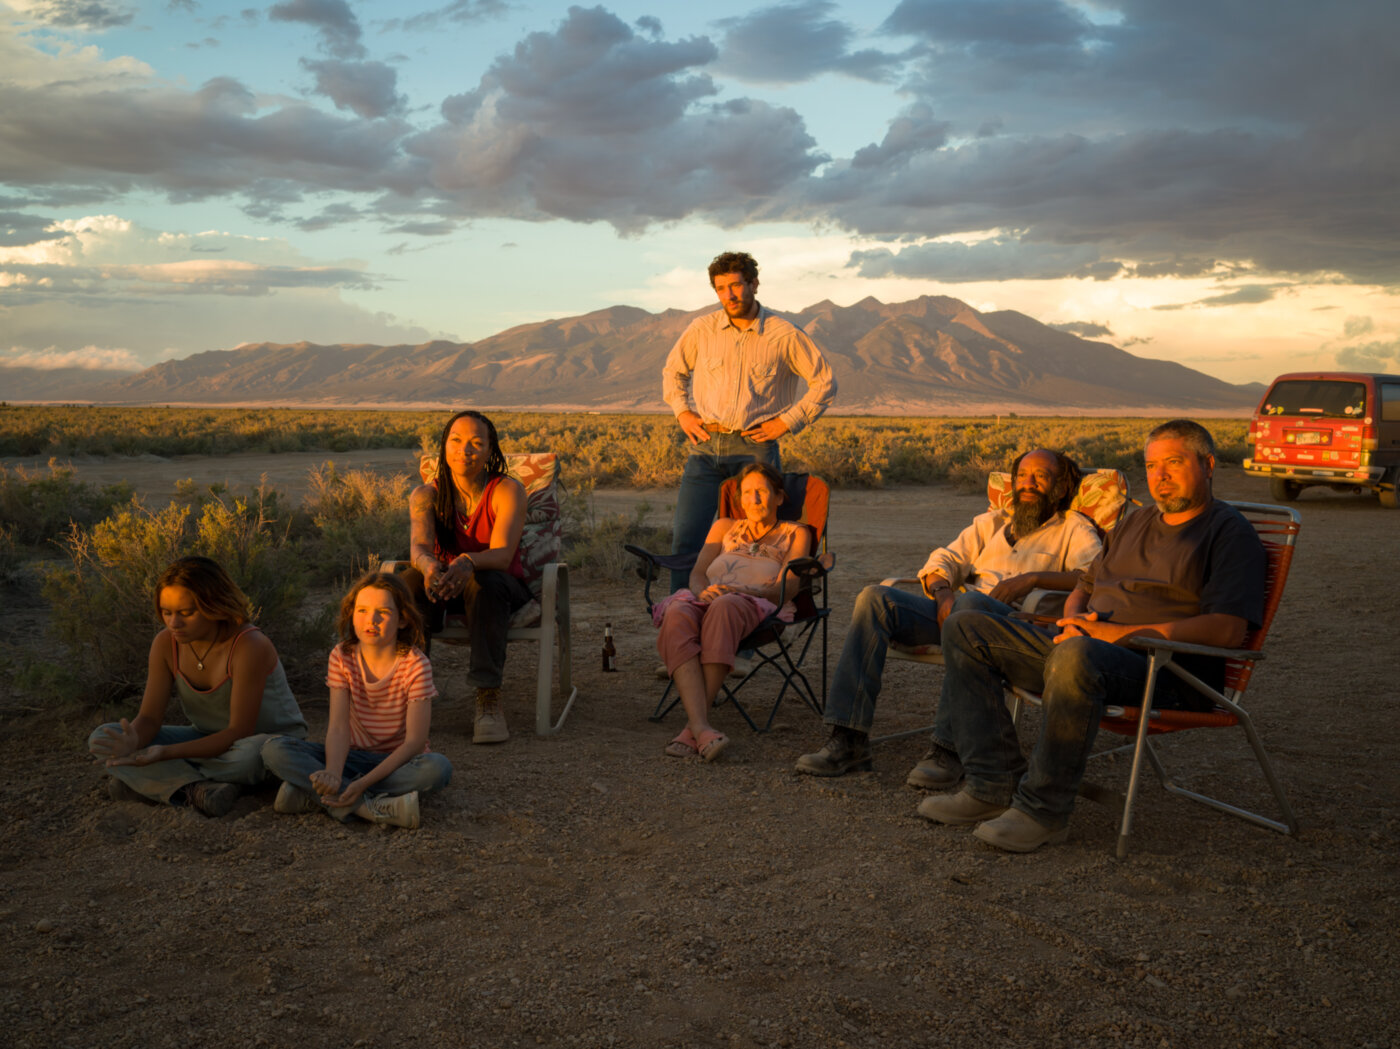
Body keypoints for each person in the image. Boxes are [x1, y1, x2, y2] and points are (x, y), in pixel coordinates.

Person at [918, 420, 1266, 852]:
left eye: (1174, 463)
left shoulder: (1229, 533)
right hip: (1090, 648)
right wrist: (1072, 620)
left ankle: (1043, 811)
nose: (1160, 476)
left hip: (1166, 670)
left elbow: (1228, 629)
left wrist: (1117, 635)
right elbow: (1085, 584)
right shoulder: (1136, 522)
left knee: (1076, 656)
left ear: (1208, 465)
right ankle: (992, 786)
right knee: (966, 626)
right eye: (1151, 466)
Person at [795, 449, 1102, 780]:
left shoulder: (1074, 528)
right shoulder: (991, 523)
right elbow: (944, 559)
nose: (1028, 483)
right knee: (875, 598)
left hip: (1014, 628)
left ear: (1060, 487)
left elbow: (1096, 575)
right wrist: (943, 593)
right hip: (958, 615)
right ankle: (848, 739)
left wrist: (1032, 579)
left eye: (1041, 476)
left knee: (971, 605)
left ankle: (947, 750)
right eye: (1022, 476)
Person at [661, 250, 836, 593]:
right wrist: (683, 412)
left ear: (754, 284)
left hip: (756, 451)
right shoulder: (702, 329)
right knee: (686, 540)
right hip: (706, 446)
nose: (729, 295)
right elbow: (673, 372)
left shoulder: (783, 334)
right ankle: (682, 610)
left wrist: (786, 422)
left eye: (736, 285)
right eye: (721, 288)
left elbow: (825, 382)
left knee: (757, 543)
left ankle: (752, 614)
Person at [88, 556, 307, 817]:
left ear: (214, 605)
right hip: (205, 739)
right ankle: (199, 790)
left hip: (264, 743)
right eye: (166, 612)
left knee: (251, 756)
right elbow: (149, 718)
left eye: (186, 613)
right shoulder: (165, 644)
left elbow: (239, 731)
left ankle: (161, 783)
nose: (174, 623)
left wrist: (164, 754)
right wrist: (134, 739)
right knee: (103, 738)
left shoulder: (249, 645)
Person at [261, 572, 451, 830]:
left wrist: (360, 783)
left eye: (383, 612)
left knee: (438, 768)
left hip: (398, 763)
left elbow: (415, 743)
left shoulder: (416, 665)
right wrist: (333, 772)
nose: (371, 620)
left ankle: (319, 798)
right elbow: (339, 728)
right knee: (274, 750)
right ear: (351, 614)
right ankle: (366, 807)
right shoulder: (342, 656)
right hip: (351, 757)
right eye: (362, 610)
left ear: (403, 619)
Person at [653, 462, 812, 762]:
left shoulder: (796, 532)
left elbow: (788, 587)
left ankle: (691, 728)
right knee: (677, 612)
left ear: (779, 497)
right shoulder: (724, 527)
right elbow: (698, 573)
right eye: (747, 492)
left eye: (762, 491)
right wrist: (702, 592)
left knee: (725, 606)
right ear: (740, 499)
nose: (754, 499)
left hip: (755, 603)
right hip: (708, 598)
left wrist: (742, 591)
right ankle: (701, 729)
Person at [405, 409, 530, 744]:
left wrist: (468, 561)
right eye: (456, 440)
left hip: (500, 586)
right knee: (408, 584)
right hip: (446, 583)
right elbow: (419, 547)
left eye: (476, 443)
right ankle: (410, 693)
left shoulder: (507, 491)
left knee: (485, 584)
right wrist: (429, 566)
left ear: (490, 451)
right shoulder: (426, 495)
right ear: (444, 447)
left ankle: (488, 696)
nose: (465, 450)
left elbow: (502, 556)